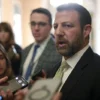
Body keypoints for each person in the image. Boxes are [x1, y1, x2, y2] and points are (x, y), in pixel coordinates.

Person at [20, 7, 62, 81]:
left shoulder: (59, 51)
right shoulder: (26, 50)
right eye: (33, 23)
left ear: (50, 27)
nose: (36, 28)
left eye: (42, 24)